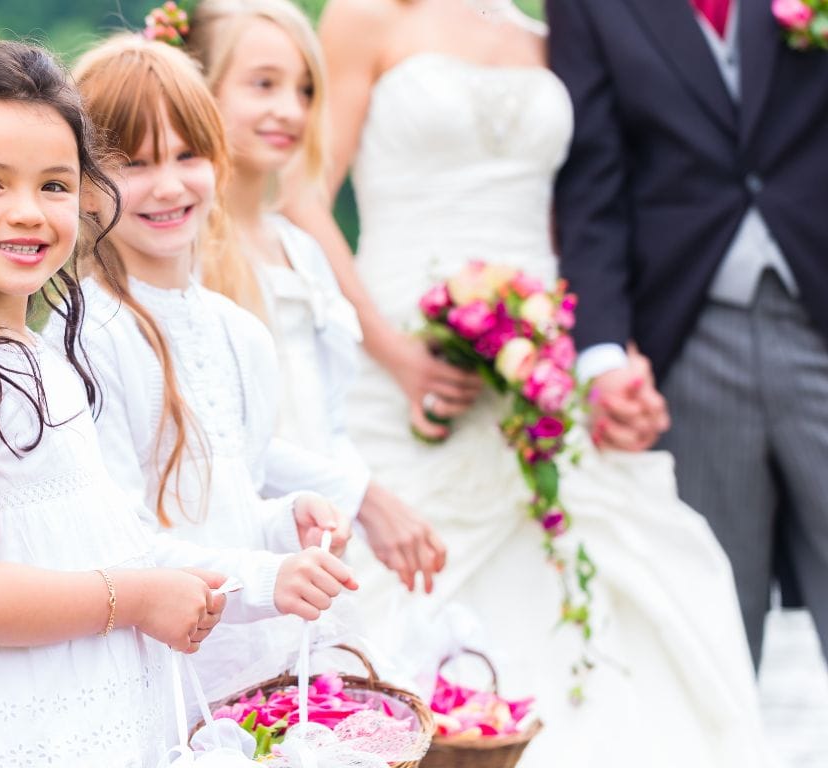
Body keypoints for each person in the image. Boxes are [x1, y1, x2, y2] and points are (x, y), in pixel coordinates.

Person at [284, 0, 776, 765]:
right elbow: (302, 195)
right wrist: (390, 349)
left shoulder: (554, 33)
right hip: (402, 353)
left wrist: (609, 358)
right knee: (386, 587)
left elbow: (585, 217)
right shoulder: (365, 17)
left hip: (545, 354)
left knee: (620, 574)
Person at [0, 40, 354, 765]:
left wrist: (269, 580)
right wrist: (138, 599)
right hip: (5, 731)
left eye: (54, 186)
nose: (27, 212)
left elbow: (116, 545)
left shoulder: (43, 360)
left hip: (85, 726)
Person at [46, 36, 358, 704]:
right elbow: (116, 545)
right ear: (82, 184)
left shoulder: (241, 333)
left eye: (187, 156)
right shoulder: (85, 338)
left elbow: (233, 505)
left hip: (255, 669)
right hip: (157, 673)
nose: (167, 185)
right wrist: (268, 578)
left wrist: (287, 523)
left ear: (219, 159)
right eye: (133, 163)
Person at [547, 0, 828, 669]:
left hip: (817, 311)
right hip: (689, 340)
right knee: (718, 626)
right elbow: (591, 183)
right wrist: (604, 352)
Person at [185, 0, 446, 594]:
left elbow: (332, 415)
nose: (290, 110)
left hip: (326, 530)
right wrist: (361, 496)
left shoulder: (301, 249)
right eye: (263, 85)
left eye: (305, 90)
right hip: (244, 545)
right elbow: (220, 432)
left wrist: (358, 500)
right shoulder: (189, 251)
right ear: (199, 89)